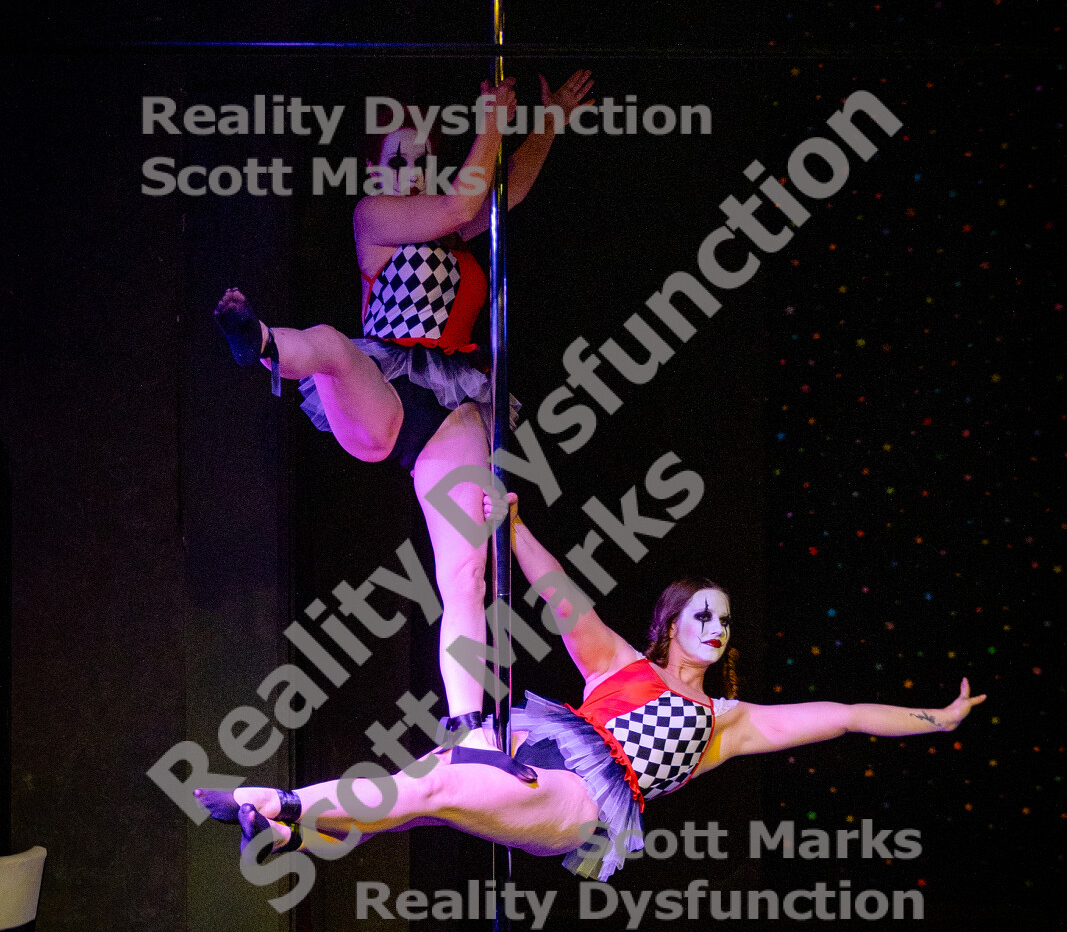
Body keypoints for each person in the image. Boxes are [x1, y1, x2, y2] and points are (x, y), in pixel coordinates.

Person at [197, 496, 986, 881]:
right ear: (670, 623)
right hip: (531, 759)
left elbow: (842, 716)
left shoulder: (725, 721)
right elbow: (559, 594)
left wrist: (937, 718)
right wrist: (513, 530)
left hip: (578, 807)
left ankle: (277, 801)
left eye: (724, 620)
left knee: (434, 786)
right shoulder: (616, 664)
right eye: (701, 615)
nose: (715, 628)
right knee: (417, 794)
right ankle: (289, 834)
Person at [213, 70, 594, 748]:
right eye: (398, 157)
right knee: (331, 345)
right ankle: (261, 342)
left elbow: (501, 194)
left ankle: (470, 730)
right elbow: (462, 201)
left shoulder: (455, 220)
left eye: (421, 158)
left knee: (466, 572)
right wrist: (489, 122)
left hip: (451, 409)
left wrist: (549, 121)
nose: (410, 169)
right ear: (373, 167)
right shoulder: (374, 215)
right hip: (382, 387)